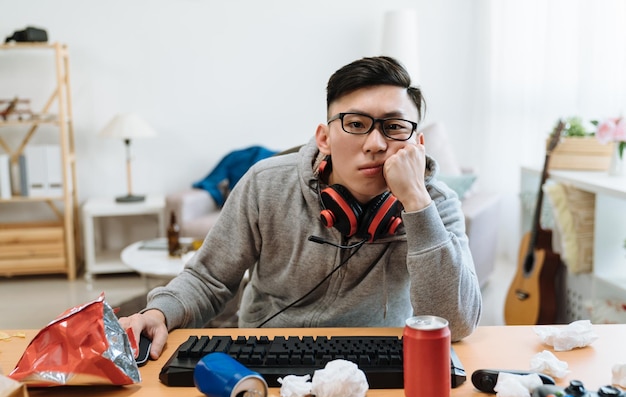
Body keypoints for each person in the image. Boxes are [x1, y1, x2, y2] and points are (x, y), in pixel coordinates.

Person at [120, 56, 482, 359]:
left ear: (418, 143)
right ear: (324, 138)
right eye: (355, 124)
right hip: (265, 353)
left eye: (394, 126)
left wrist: (417, 204)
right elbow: (208, 278)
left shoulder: (435, 204)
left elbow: (457, 322)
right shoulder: (265, 183)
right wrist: (160, 311)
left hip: (376, 361)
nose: (375, 143)